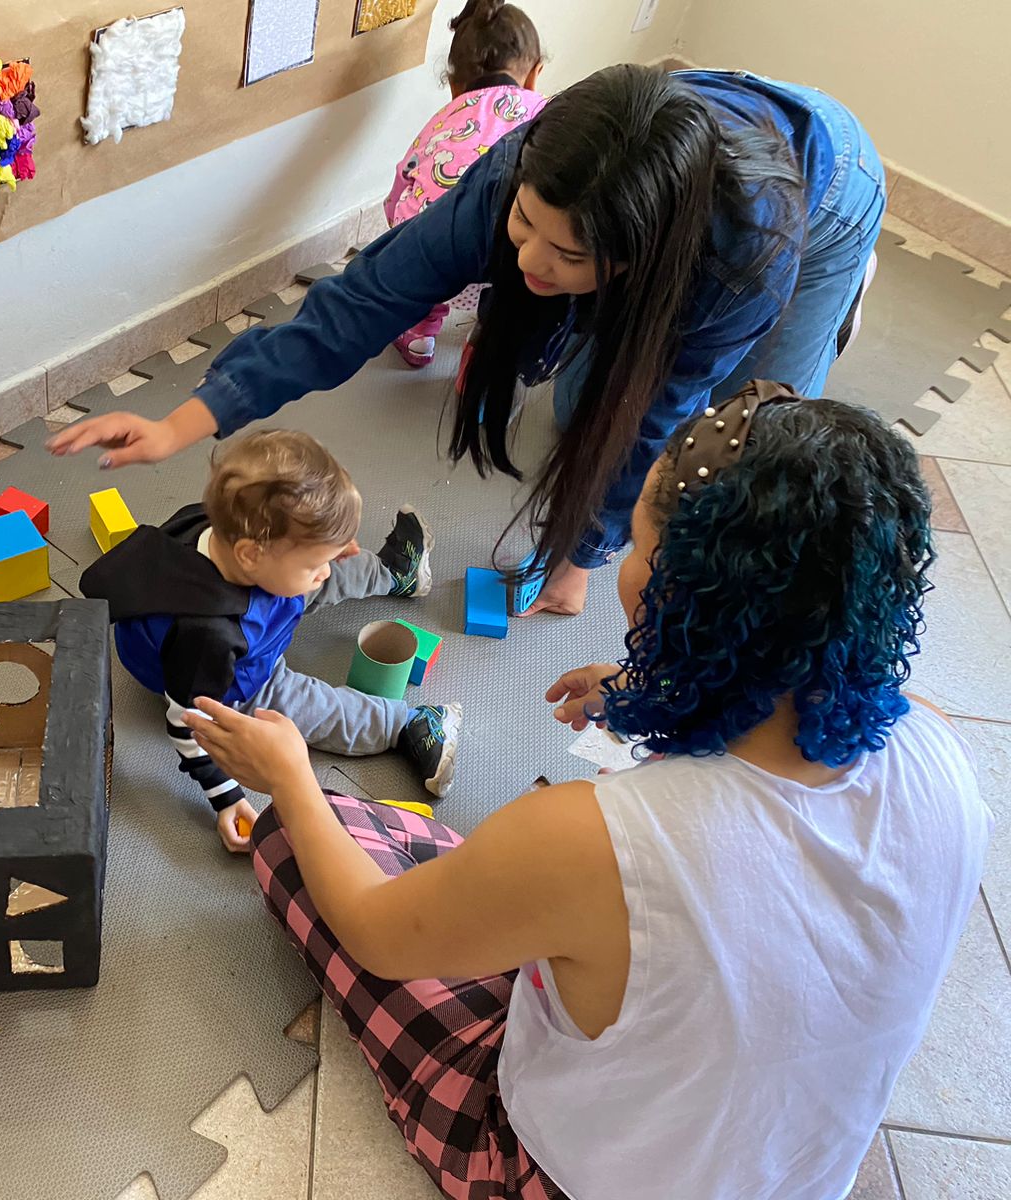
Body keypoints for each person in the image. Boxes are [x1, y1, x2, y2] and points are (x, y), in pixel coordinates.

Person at [183, 384, 988, 1200]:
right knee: (479, 880)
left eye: (636, 549)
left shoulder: (578, 838)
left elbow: (375, 935)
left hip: (554, 1174)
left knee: (301, 837)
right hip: (793, 1173)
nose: (621, 571)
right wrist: (658, 691)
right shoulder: (940, 741)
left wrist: (289, 773)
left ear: (691, 602)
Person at [52, 65, 887, 622]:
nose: (526, 264)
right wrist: (188, 420)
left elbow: (652, 416)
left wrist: (582, 555)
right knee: (573, 398)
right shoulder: (513, 173)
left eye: (567, 255)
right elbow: (361, 303)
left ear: (637, 259)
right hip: (685, 129)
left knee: (755, 430)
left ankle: (839, 299)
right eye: (524, 227)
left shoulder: (740, 257)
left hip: (823, 191)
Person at [79, 430, 460, 853]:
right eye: (315, 562)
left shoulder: (224, 527)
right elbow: (188, 719)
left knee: (322, 571)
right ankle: (404, 726)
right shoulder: (208, 637)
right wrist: (225, 796)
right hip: (232, 679)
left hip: (251, 607)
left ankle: (392, 573)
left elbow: (307, 563)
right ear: (250, 555)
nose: (325, 571)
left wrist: (328, 545)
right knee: (307, 705)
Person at [384, 0, 545, 368]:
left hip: (437, 260)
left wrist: (394, 226)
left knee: (426, 245)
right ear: (535, 74)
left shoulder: (444, 118)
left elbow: (403, 179)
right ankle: (486, 339)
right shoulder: (544, 113)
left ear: (454, 85)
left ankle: (420, 336)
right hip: (508, 262)